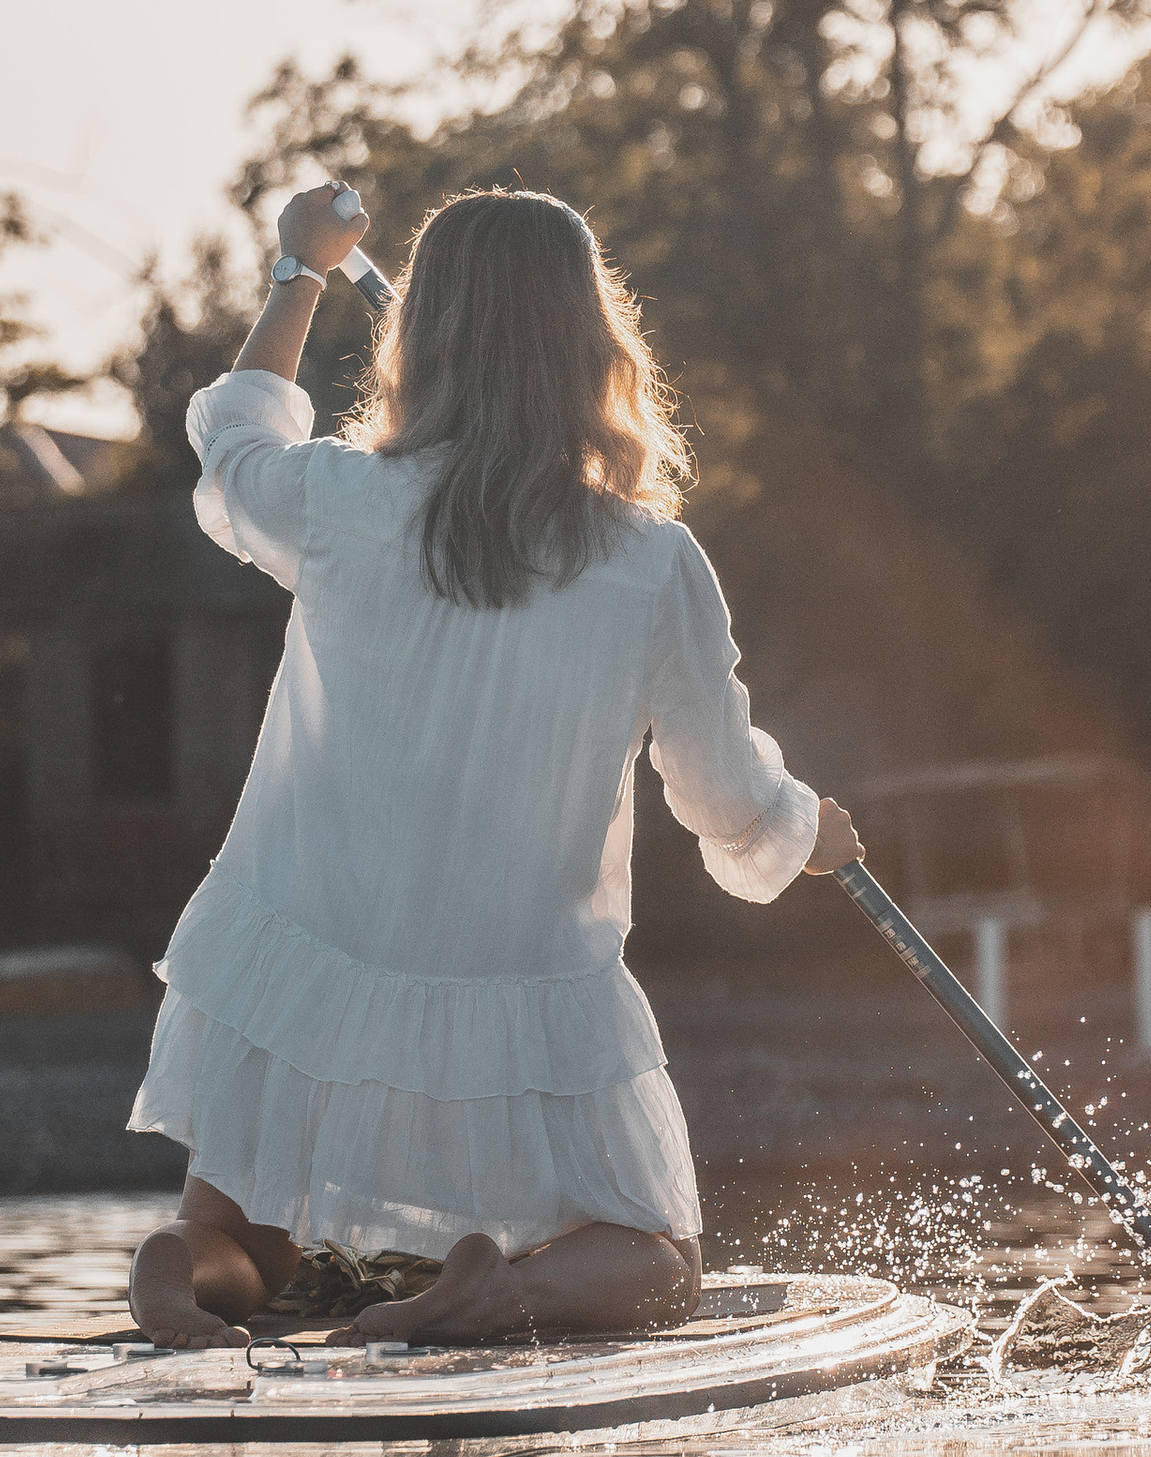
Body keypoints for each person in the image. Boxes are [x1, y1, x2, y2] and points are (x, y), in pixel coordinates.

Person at [125, 181, 861, 1349]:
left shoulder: (339, 503)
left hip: (306, 962)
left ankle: (179, 1275)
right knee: (657, 1262)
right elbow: (724, 798)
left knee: (245, 1242)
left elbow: (232, 446)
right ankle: (500, 1290)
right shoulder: (649, 562)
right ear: (591, 346)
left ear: (422, 341)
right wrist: (800, 829)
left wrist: (298, 271)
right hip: (521, 993)